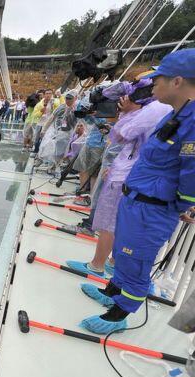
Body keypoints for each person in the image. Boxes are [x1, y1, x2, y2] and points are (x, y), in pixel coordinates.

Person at [79, 48, 195, 334]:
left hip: (153, 206)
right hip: (138, 199)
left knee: (135, 259)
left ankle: (120, 313)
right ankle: (112, 292)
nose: (153, 85)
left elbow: (191, 172)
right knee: (123, 251)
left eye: (159, 79)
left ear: (177, 81)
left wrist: (183, 205)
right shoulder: (176, 115)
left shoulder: (192, 123)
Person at [67, 80, 172, 278]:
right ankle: (112, 264)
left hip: (128, 174)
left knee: (110, 221)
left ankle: (97, 265)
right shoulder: (173, 110)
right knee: (122, 223)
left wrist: (128, 111)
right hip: (140, 174)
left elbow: (120, 135)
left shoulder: (155, 108)